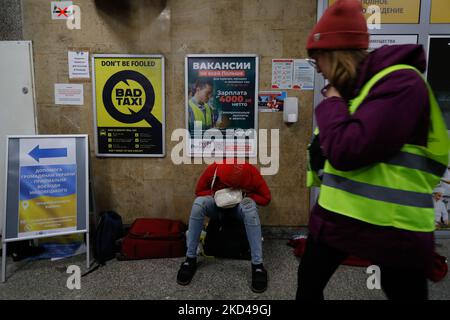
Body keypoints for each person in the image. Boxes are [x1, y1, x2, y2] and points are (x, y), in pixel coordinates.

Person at [300, 0, 449, 300]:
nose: (321, 73)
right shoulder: (355, 92)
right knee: (308, 284)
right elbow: (327, 150)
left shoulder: (401, 82)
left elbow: (347, 149)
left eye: (319, 63)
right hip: (337, 218)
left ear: (335, 55)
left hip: (393, 226)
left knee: (403, 294)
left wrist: (331, 102)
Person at [176, 162, 271, 293]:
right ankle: (190, 259)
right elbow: (198, 191)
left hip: (239, 207)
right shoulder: (214, 169)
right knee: (198, 204)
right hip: (217, 206)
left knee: (250, 207)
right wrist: (217, 195)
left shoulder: (251, 172)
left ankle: (258, 265)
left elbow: (266, 198)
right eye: (228, 184)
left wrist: (245, 195)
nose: (230, 187)